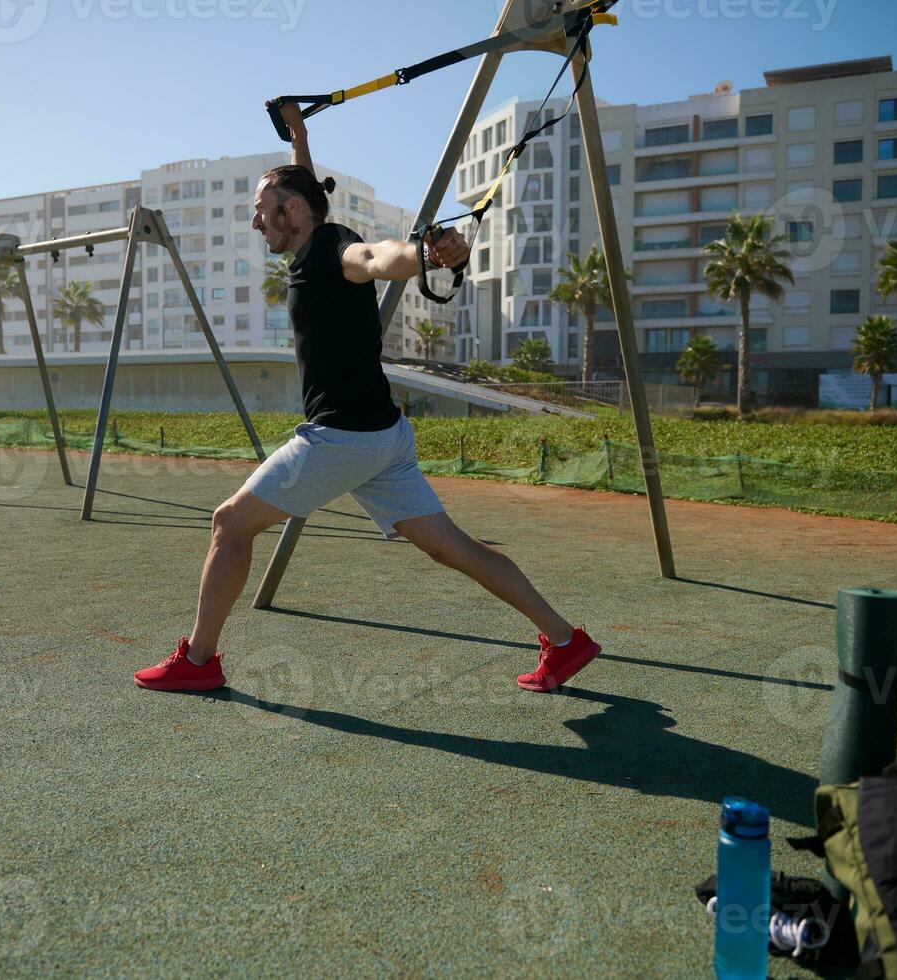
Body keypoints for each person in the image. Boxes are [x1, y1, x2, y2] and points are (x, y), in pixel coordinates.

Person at [134, 101, 600, 695]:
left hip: (344, 439)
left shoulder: (337, 252)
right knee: (455, 548)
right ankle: (566, 640)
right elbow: (303, 188)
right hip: (385, 437)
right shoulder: (313, 236)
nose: (255, 223)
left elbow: (381, 258)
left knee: (230, 523)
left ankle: (199, 661)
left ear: (292, 212)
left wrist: (428, 254)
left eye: (260, 211)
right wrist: (299, 136)